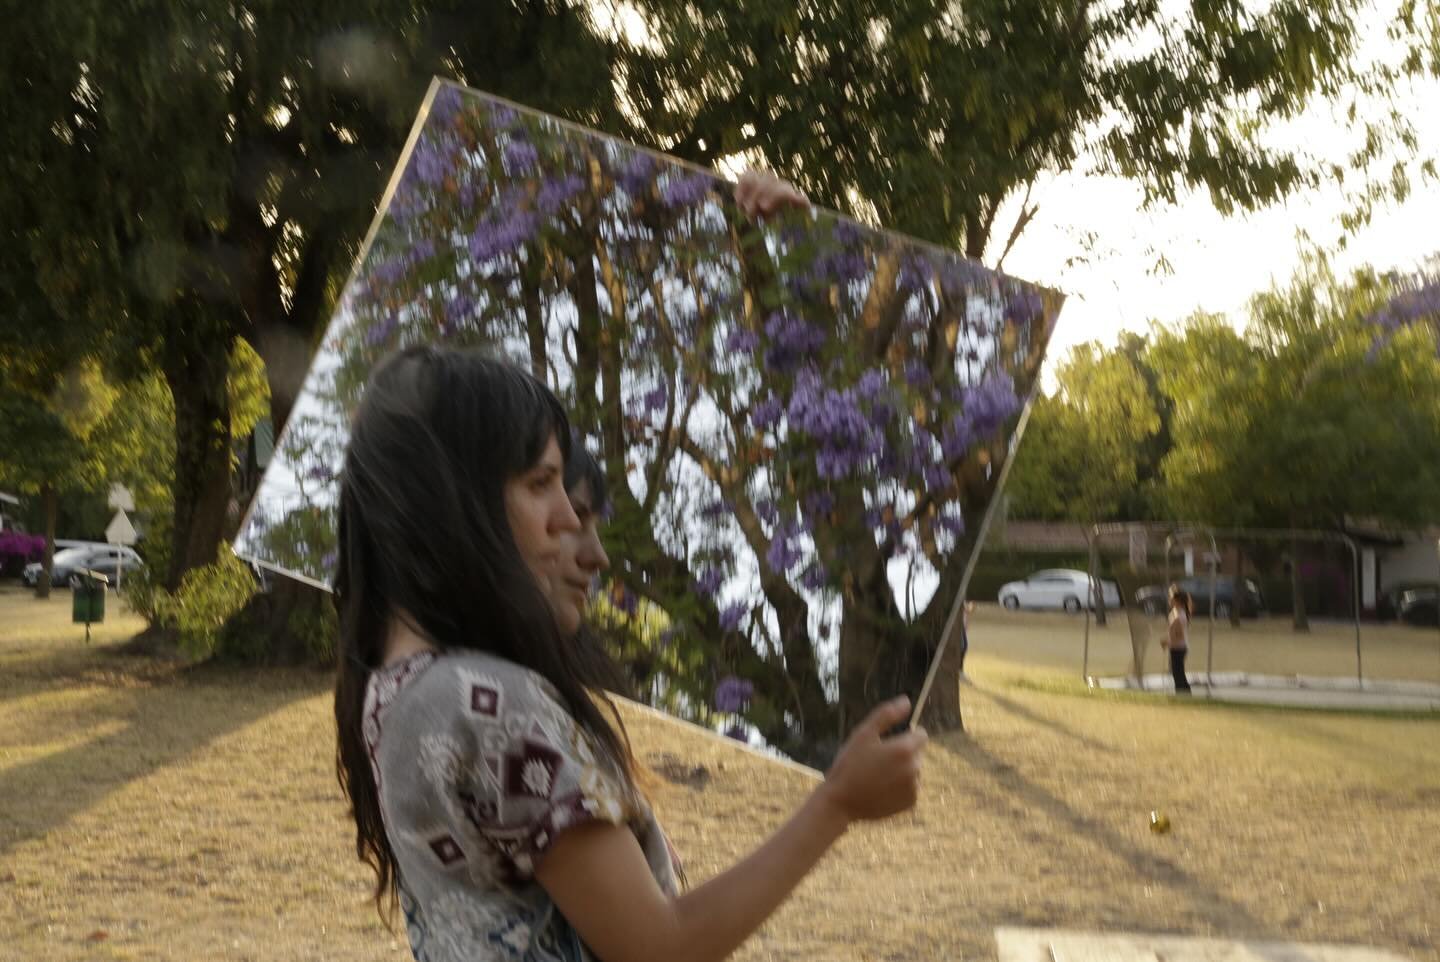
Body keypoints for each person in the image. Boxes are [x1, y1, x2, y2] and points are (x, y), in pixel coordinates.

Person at [333, 348, 926, 962]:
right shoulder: (488, 703)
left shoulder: (391, 690)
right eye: (541, 485)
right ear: (453, 499)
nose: (566, 518)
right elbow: (661, 946)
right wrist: (836, 805)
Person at [1163, 585, 1193, 695]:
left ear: (1176, 600)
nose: (1169, 599)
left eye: (1170, 597)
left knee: (1178, 675)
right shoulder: (1175, 612)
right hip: (1175, 648)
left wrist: (1167, 642)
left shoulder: (1179, 616)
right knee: (1177, 674)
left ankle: (1183, 696)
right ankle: (1183, 695)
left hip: (1179, 649)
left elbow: (1179, 636)